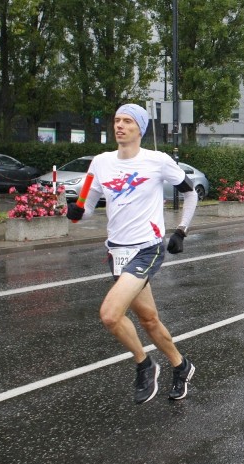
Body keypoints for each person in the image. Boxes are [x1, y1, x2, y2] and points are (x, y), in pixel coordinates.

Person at [67, 104, 197, 404]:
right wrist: (75, 212)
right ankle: (181, 366)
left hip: (147, 248)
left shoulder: (157, 161)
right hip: (117, 251)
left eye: (127, 121)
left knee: (110, 315)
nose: (120, 126)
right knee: (149, 320)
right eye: (116, 120)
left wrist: (181, 230)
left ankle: (144, 364)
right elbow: (85, 210)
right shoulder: (100, 163)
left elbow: (190, 193)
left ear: (140, 129)